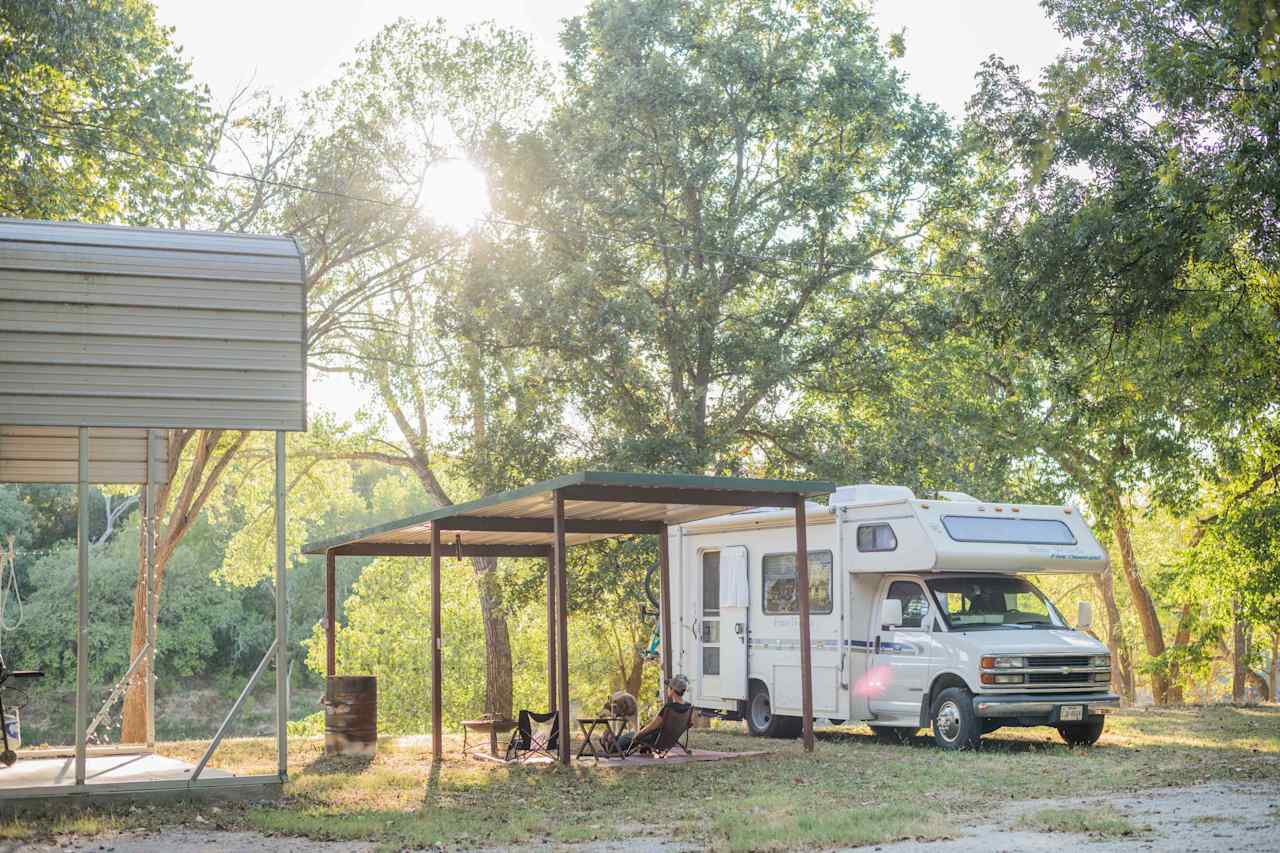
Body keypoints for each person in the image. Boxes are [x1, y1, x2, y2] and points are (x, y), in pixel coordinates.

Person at [612, 674, 692, 754]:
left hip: (657, 739)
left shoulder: (669, 708)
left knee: (631, 736)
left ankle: (612, 748)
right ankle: (643, 748)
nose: (667, 689)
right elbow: (689, 724)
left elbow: (652, 726)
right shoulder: (688, 707)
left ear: (673, 690)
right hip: (670, 739)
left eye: (668, 687)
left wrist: (639, 734)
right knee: (638, 732)